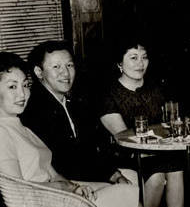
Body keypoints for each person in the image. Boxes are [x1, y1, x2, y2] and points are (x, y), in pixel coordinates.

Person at [0, 51, 150, 207]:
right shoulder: (2, 132)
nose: (22, 94)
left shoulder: (19, 126)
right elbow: (18, 194)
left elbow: (53, 174)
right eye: (12, 87)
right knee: (126, 200)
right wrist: (68, 189)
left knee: (128, 200)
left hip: (57, 200)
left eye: (25, 85)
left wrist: (73, 187)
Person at [99, 36, 184, 207]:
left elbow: (168, 126)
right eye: (133, 57)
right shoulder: (109, 95)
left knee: (176, 166)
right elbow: (125, 138)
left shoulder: (156, 89)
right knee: (157, 175)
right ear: (119, 63)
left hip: (158, 153)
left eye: (144, 57)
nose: (140, 63)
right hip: (126, 155)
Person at [21, 40, 129, 184]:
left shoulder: (72, 103)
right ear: (39, 72)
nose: (65, 73)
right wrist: (108, 176)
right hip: (64, 184)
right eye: (56, 67)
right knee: (129, 191)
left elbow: (89, 147)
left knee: (134, 180)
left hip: (83, 175)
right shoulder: (34, 109)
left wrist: (113, 174)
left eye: (69, 65)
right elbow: (62, 161)